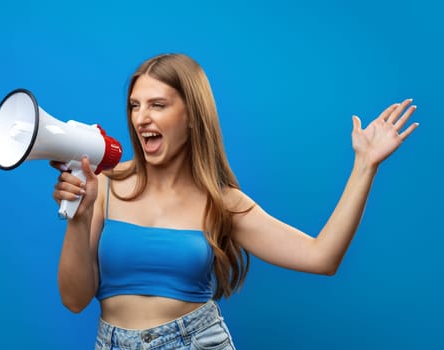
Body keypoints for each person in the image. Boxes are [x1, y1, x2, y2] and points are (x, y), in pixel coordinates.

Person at [51, 53, 418, 349]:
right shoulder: (105, 185)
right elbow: (75, 300)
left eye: (158, 105)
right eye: (135, 105)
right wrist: (78, 219)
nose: (141, 118)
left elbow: (322, 257)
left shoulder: (221, 202)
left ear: (192, 116)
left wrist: (365, 165)